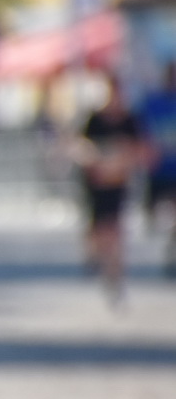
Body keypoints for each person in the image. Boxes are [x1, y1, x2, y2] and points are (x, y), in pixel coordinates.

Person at [74, 76, 147, 306]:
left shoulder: (129, 120)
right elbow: (79, 146)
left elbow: (144, 149)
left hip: (118, 182)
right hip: (95, 183)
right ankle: (97, 257)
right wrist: (95, 157)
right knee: (97, 227)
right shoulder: (95, 119)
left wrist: (124, 157)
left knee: (115, 229)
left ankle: (114, 274)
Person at [138, 62, 176, 276]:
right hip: (159, 170)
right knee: (154, 212)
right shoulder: (153, 102)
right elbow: (141, 130)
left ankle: (173, 251)